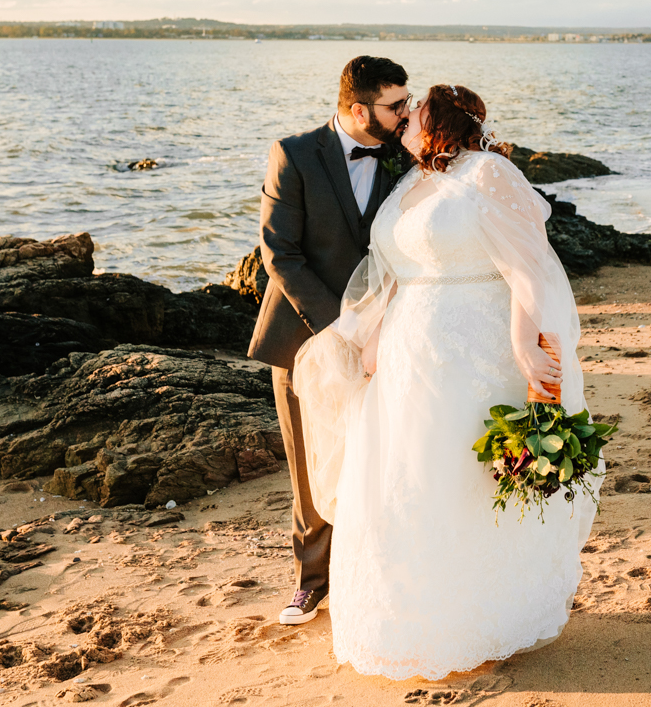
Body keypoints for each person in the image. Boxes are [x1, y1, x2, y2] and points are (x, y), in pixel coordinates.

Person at [292, 84, 599, 680]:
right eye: (399, 112)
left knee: (464, 477)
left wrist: (524, 343)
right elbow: (397, 271)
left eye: (414, 113)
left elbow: (529, 265)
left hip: (477, 350)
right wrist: (370, 338)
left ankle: (481, 616)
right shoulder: (411, 182)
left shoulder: (489, 173)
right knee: (407, 478)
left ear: (440, 122)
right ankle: (411, 614)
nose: (402, 120)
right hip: (408, 354)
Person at [249, 55, 410, 627]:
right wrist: (340, 325)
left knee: (380, 459)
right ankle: (310, 584)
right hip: (304, 333)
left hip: (388, 336)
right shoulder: (294, 154)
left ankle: (372, 575)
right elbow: (279, 254)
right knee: (307, 465)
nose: (405, 113)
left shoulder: (404, 154)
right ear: (358, 108)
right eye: (395, 105)